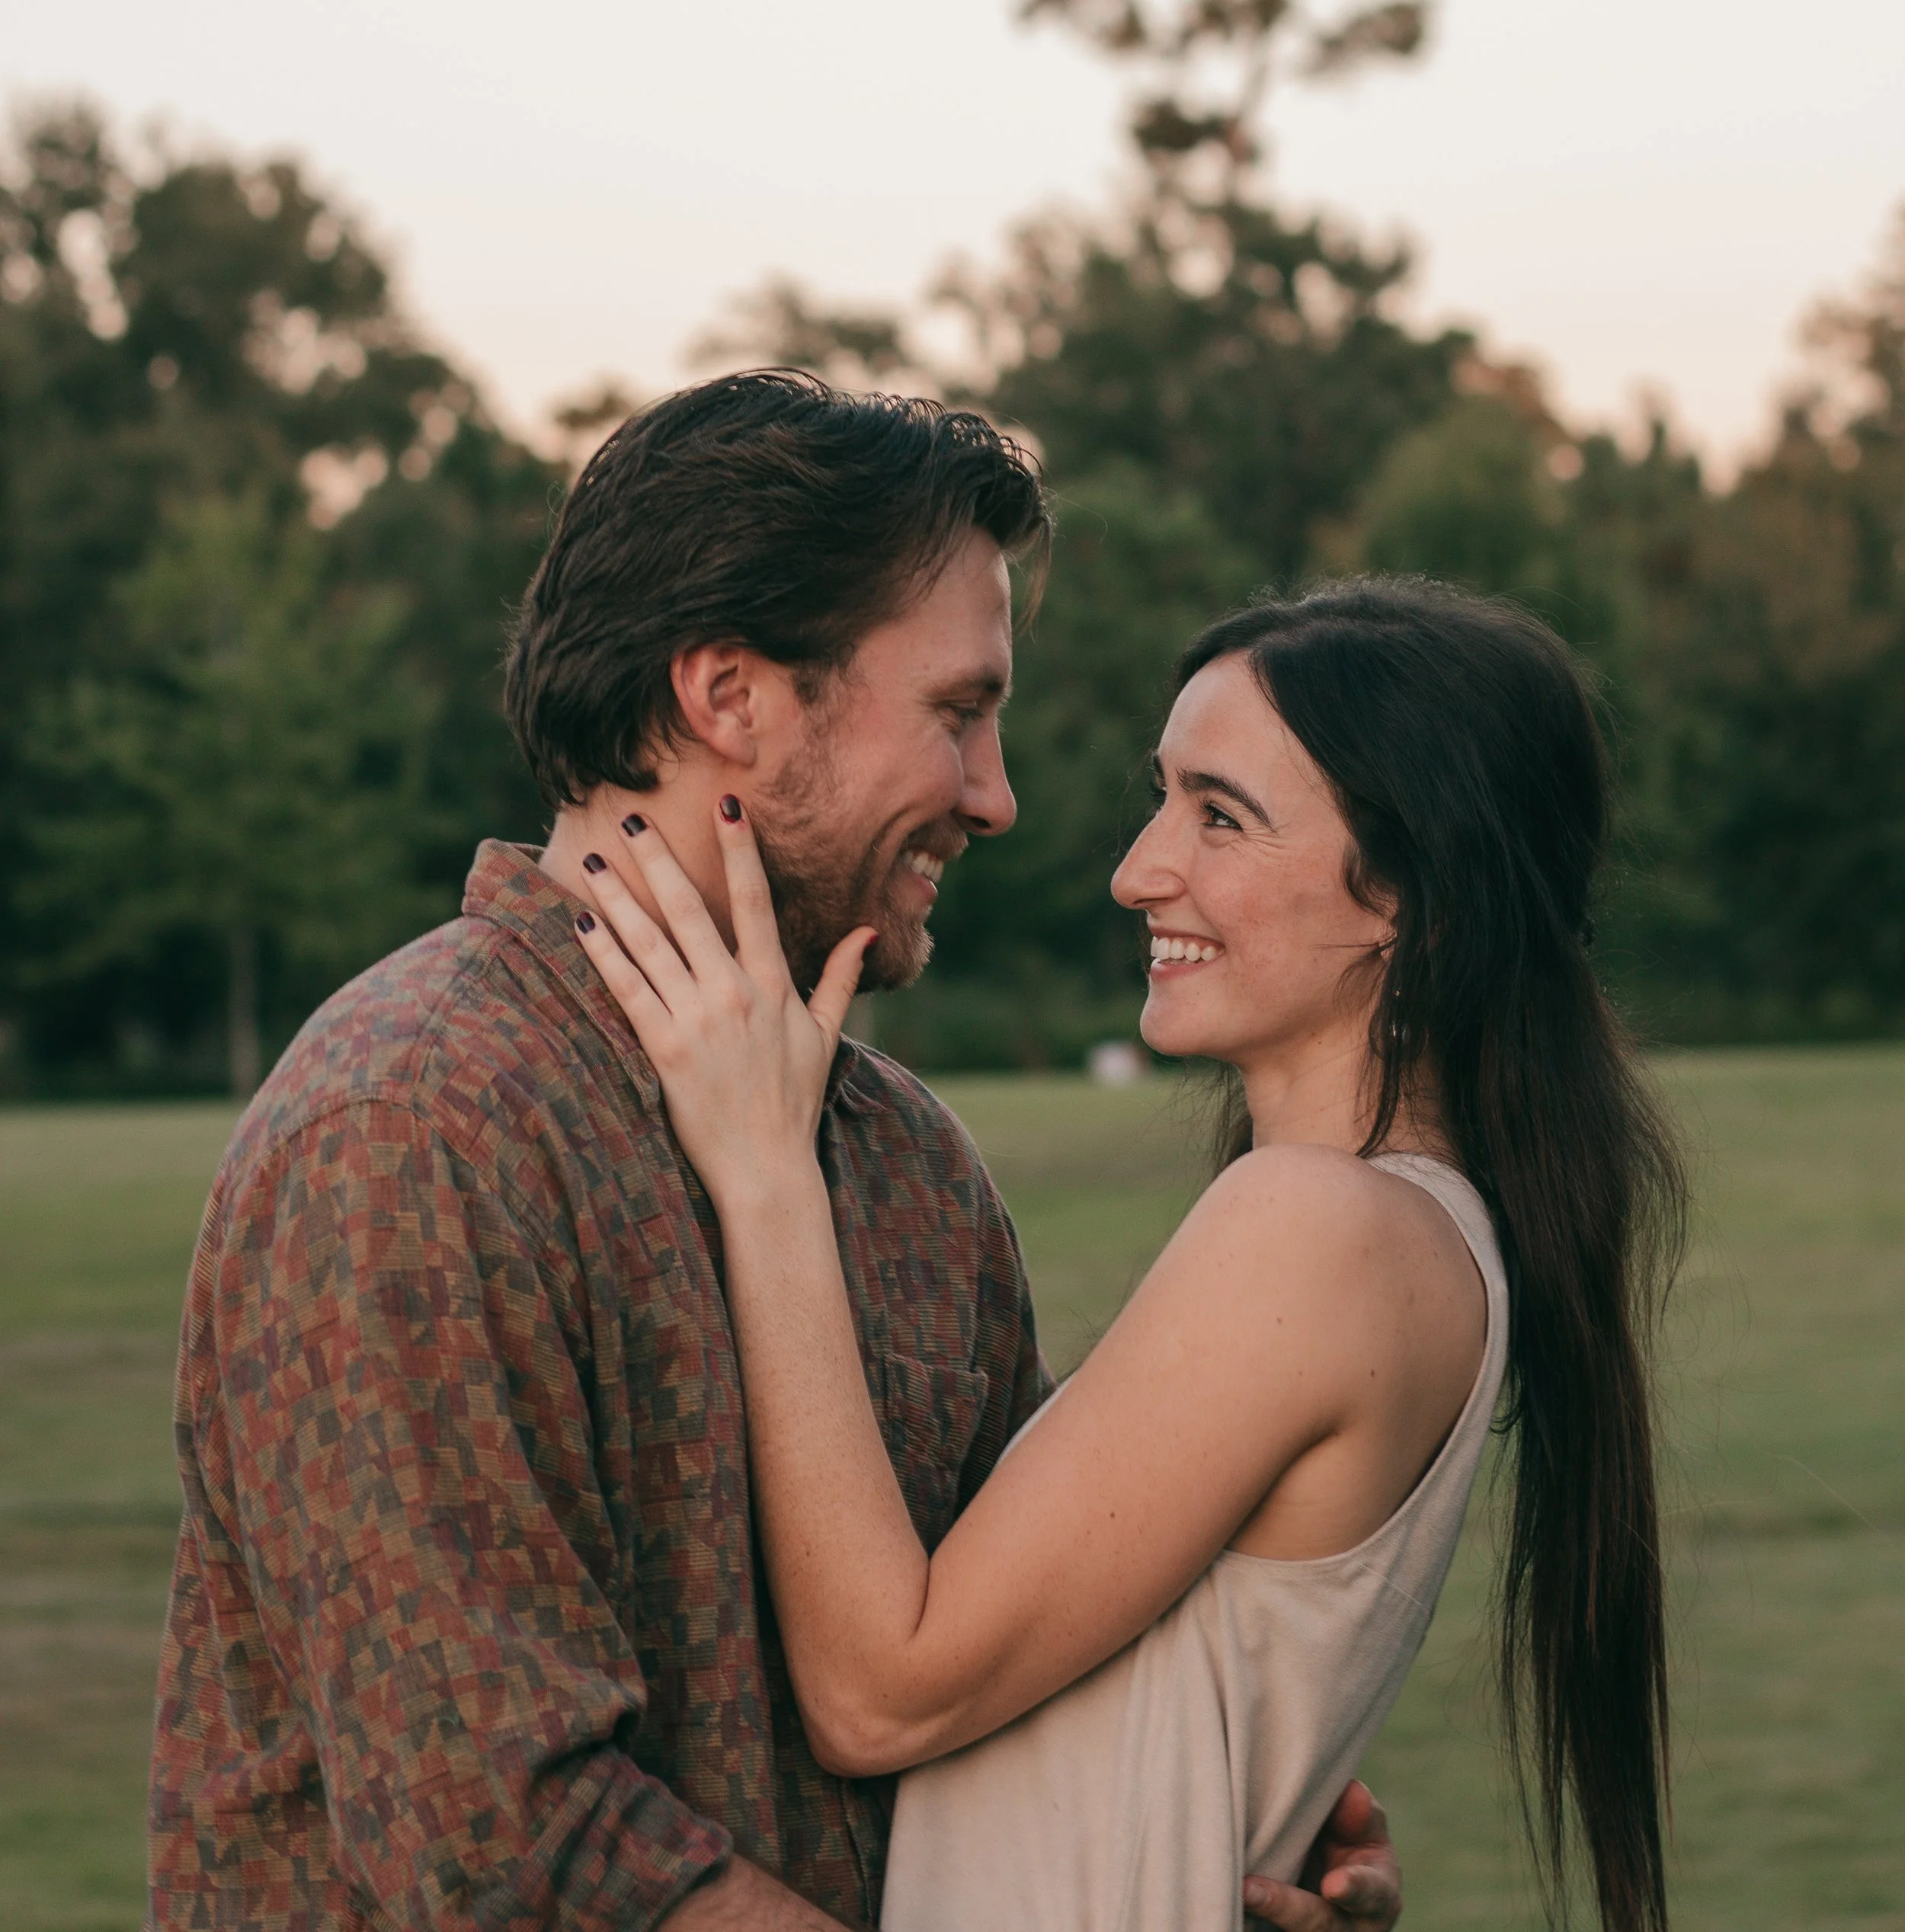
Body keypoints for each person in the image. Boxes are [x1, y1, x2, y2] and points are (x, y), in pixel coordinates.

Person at [146, 371, 1401, 1931]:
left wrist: (1211, 1835)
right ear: (729, 698)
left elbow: (1013, 1682)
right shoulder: (410, 1127)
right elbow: (503, 1843)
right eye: (957, 712)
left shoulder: (907, 1167)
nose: (996, 799)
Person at [569, 577, 1689, 1932]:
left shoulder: (1322, 1230)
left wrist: (764, 1175)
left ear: (1409, 895)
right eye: (1160, 800)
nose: (1137, 869)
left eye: (1220, 816)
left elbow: (881, 1692)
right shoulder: (1413, 1235)